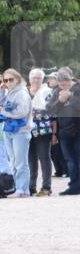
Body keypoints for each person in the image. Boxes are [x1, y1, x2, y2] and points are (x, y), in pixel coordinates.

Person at [0, 68, 32, 198]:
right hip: (9, 129)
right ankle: (20, 188)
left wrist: (3, 112)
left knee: (20, 162)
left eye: (11, 79)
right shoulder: (9, 92)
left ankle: (22, 189)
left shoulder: (22, 93)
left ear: (17, 79)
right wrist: (1, 90)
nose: (8, 82)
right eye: (5, 80)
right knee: (13, 161)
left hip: (20, 131)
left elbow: (21, 112)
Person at [46, 67, 80, 195]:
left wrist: (71, 97)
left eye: (65, 82)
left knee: (78, 158)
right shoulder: (57, 91)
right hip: (64, 131)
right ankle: (74, 186)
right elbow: (49, 110)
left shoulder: (77, 89)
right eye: (60, 83)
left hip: (78, 129)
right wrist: (60, 102)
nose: (63, 85)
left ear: (70, 79)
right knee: (70, 160)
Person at [27, 68, 54, 196]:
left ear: (42, 79)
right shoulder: (25, 92)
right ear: (30, 79)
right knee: (30, 159)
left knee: (44, 158)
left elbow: (51, 108)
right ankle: (31, 186)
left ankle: (46, 187)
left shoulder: (47, 92)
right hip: (26, 130)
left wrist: (34, 112)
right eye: (34, 77)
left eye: (38, 77)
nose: (36, 79)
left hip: (43, 130)